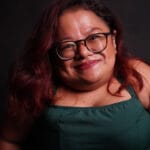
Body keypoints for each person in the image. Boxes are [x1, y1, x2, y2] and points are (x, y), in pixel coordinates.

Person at [0, 0, 150, 149]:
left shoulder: (137, 74)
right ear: (52, 53)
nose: (83, 53)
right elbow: (8, 140)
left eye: (93, 37)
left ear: (113, 40)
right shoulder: (36, 88)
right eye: (67, 45)